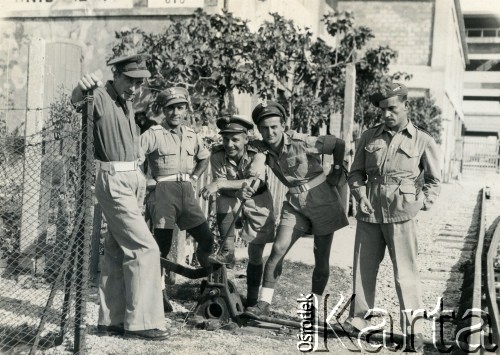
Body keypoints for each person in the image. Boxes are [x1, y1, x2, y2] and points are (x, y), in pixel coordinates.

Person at [71, 54, 168, 340]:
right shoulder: (100, 95)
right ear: (116, 75)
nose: (135, 88)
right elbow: (77, 103)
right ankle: (142, 322)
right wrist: (82, 88)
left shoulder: (126, 102)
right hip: (114, 180)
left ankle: (111, 320)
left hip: (130, 180)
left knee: (115, 251)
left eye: (140, 83)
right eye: (130, 81)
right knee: (145, 248)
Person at [345, 82, 441, 350]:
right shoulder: (369, 137)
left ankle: (413, 331)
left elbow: (434, 179)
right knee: (363, 271)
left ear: (405, 106)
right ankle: (359, 321)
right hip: (370, 212)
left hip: (402, 214)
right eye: (382, 109)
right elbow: (355, 173)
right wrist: (360, 196)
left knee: (405, 275)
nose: (386, 114)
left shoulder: (422, 139)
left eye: (392, 108)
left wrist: (423, 202)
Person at [242, 101, 349, 318]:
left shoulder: (302, 142)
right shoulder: (262, 148)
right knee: (278, 250)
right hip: (294, 204)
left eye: (274, 127)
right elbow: (250, 154)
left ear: (283, 125)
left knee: (321, 256)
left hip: (322, 199)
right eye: (264, 128)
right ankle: (264, 304)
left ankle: (313, 308)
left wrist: (336, 171)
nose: (270, 132)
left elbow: (338, 143)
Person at [139, 87, 218, 312]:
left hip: (187, 192)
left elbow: (204, 157)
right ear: (164, 110)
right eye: (170, 108)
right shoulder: (154, 133)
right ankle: (158, 293)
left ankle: (210, 286)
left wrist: (194, 177)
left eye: (180, 107)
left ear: (185, 109)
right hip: (163, 192)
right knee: (161, 248)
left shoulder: (192, 135)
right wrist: (146, 182)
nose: (176, 112)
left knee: (207, 240)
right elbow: (135, 158)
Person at [199, 115, 275, 307]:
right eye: (226, 139)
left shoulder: (258, 154)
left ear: (246, 139)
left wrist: (220, 183)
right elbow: (222, 189)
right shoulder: (217, 155)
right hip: (232, 199)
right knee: (222, 197)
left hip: (258, 202)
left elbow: (250, 182)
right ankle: (228, 251)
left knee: (255, 254)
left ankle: (251, 300)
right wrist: (223, 185)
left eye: (235, 139)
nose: (229, 144)